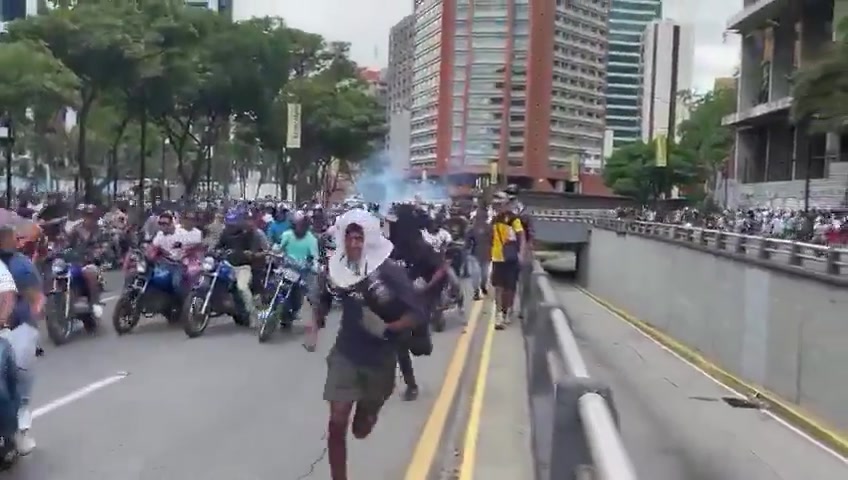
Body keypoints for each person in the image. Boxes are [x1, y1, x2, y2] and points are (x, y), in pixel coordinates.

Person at [308, 208, 426, 480]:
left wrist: (389, 327)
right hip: (346, 353)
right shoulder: (336, 268)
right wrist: (315, 322)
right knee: (337, 422)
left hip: (380, 359)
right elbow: (324, 295)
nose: (353, 244)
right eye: (348, 238)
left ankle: (370, 412)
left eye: (358, 239)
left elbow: (417, 313)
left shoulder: (389, 272)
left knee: (361, 428)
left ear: (368, 241)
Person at [0, 226, 40, 455]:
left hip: (19, 330)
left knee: (20, 386)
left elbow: (35, 297)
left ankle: (21, 432)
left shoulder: (21, 265)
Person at [215, 211, 265, 325]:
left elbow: (253, 250)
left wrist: (248, 253)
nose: (230, 227)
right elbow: (219, 246)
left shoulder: (248, 234)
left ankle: (252, 313)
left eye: (233, 224)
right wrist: (214, 250)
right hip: (227, 265)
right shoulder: (225, 233)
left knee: (242, 287)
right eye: (229, 224)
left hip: (243, 267)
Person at [490, 192, 525, 329]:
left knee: (509, 288)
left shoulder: (514, 219)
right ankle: (499, 315)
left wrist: (521, 254)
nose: (498, 206)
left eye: (500, 204)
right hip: (497, 258)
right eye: (496, 204)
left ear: (506, 204)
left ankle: (508, 310)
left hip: (510, 258)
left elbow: (521, 237)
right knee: (498, 287)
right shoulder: (494, 219)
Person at [277, 212, 319, 318]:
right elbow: (279, 248)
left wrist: (314, 265)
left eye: (303, 226)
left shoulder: (311, 240)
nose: (300, 228)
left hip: (301, 271)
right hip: (286, 267)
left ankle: (295, 309)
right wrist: (275, 253)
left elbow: (315, 256)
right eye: (299, 225)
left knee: (301, 291)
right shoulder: (287, 235)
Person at [66, 204, 104, 318]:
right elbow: (67, 244)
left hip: (90, 262)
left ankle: (94, 303)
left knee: (90, 273)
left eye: (92, 216)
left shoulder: (99, 231)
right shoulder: (76, 229)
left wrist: (98, 252)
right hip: (75, 261)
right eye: (87, 216)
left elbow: (104, 246)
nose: (89, 219)